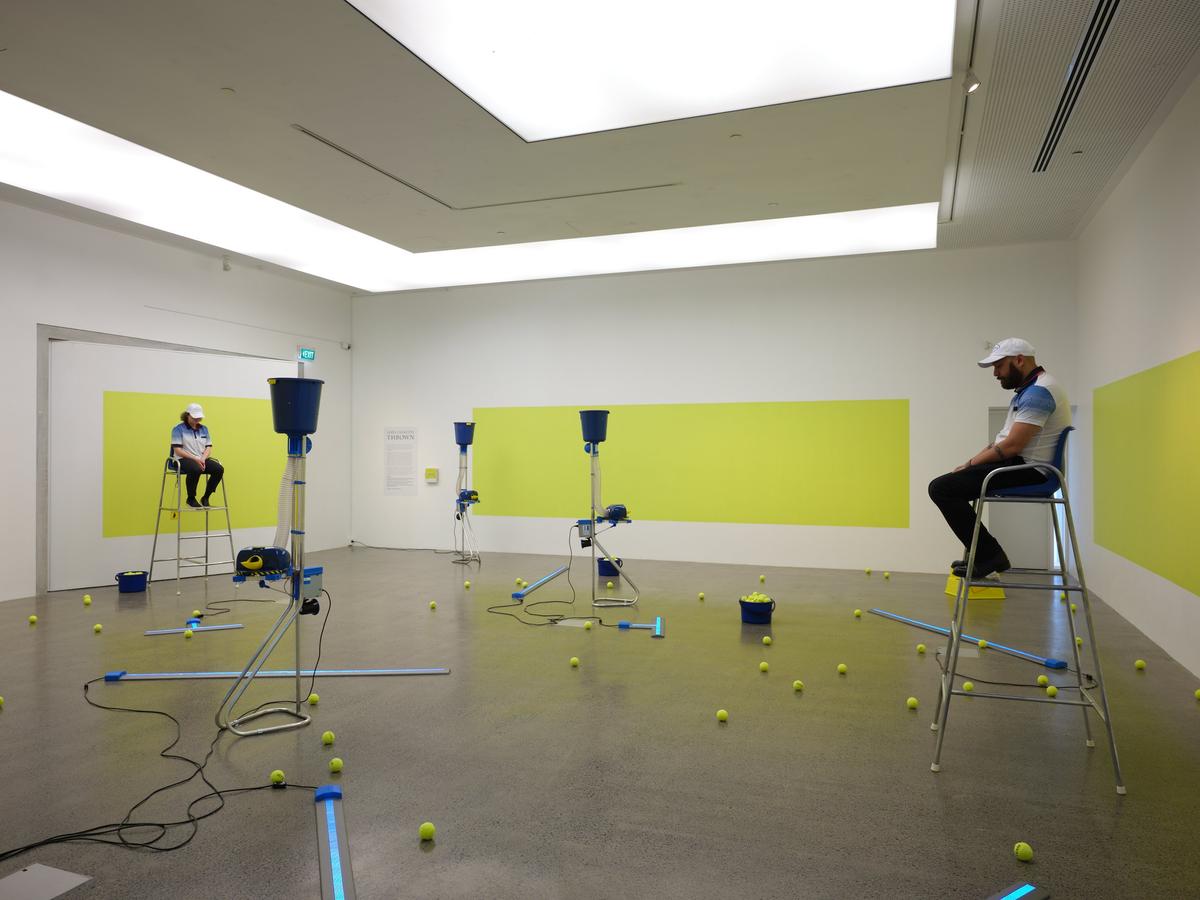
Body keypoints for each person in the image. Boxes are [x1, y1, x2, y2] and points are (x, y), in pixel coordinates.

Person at [928, 338, 1071, 578]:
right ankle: (985, 554)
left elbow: (1013, 446)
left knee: (941, 488)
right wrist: (970, 463)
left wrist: (972, 464)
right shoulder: (1029, 389)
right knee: (950, 484)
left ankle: (988, 555)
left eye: (999, 366)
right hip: (1021, 465)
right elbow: (1002, 442)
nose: (996, 373)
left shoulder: (1039, 392)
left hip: (1031, 471)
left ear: (1019, 360)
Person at [170, 403, 224, 508]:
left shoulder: (204, 429)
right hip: (183, 459)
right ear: (187, 415)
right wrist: (195, 459)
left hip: (201, 458)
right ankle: (191, 498)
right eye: (194, 417)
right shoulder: (178, 429)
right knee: (196, 468)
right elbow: (177, 450)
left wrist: (203, 459)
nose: (197, 419)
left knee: (218, 469)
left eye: (199, 417)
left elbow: (208, 447)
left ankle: (206, 497)